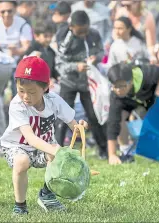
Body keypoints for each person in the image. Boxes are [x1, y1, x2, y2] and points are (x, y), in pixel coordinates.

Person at [0, 56, 88, 215]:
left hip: (44, 146)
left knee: (55, 153)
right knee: (21, 162)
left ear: (46, 87)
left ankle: (47, 195)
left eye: (32, 92)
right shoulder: (17, 105)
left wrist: (79, 127)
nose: (26, 96)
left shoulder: (54, 100)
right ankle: (20, 206)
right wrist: (56, 150)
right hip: (17, 147)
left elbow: (73, 124)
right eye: (21, 91)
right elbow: (30, 138)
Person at [54, 10, 108, 159]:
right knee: (64, 117)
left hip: (87, 83)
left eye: (86, 30)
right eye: (80, 32)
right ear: (71, 27)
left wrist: (96, 57)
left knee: (94, 115)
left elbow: (101, 51)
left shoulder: (94, 34)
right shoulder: (63, 36)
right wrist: (75, 66)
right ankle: (57, 150)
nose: (84, 35)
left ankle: (103, 150)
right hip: (69, 82)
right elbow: (59, 63)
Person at [106, 63, 159, 165]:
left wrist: (158, 90)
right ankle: (125, 149)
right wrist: (112, 155)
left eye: (122, 86)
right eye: (115, 86)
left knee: (154, 121)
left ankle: (158, 147)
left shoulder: (147, 74)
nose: (119, 90)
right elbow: (112, 123)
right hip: (128, 102)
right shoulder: (116, 96)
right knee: (119, 117)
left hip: (148, 98)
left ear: (131, 81)